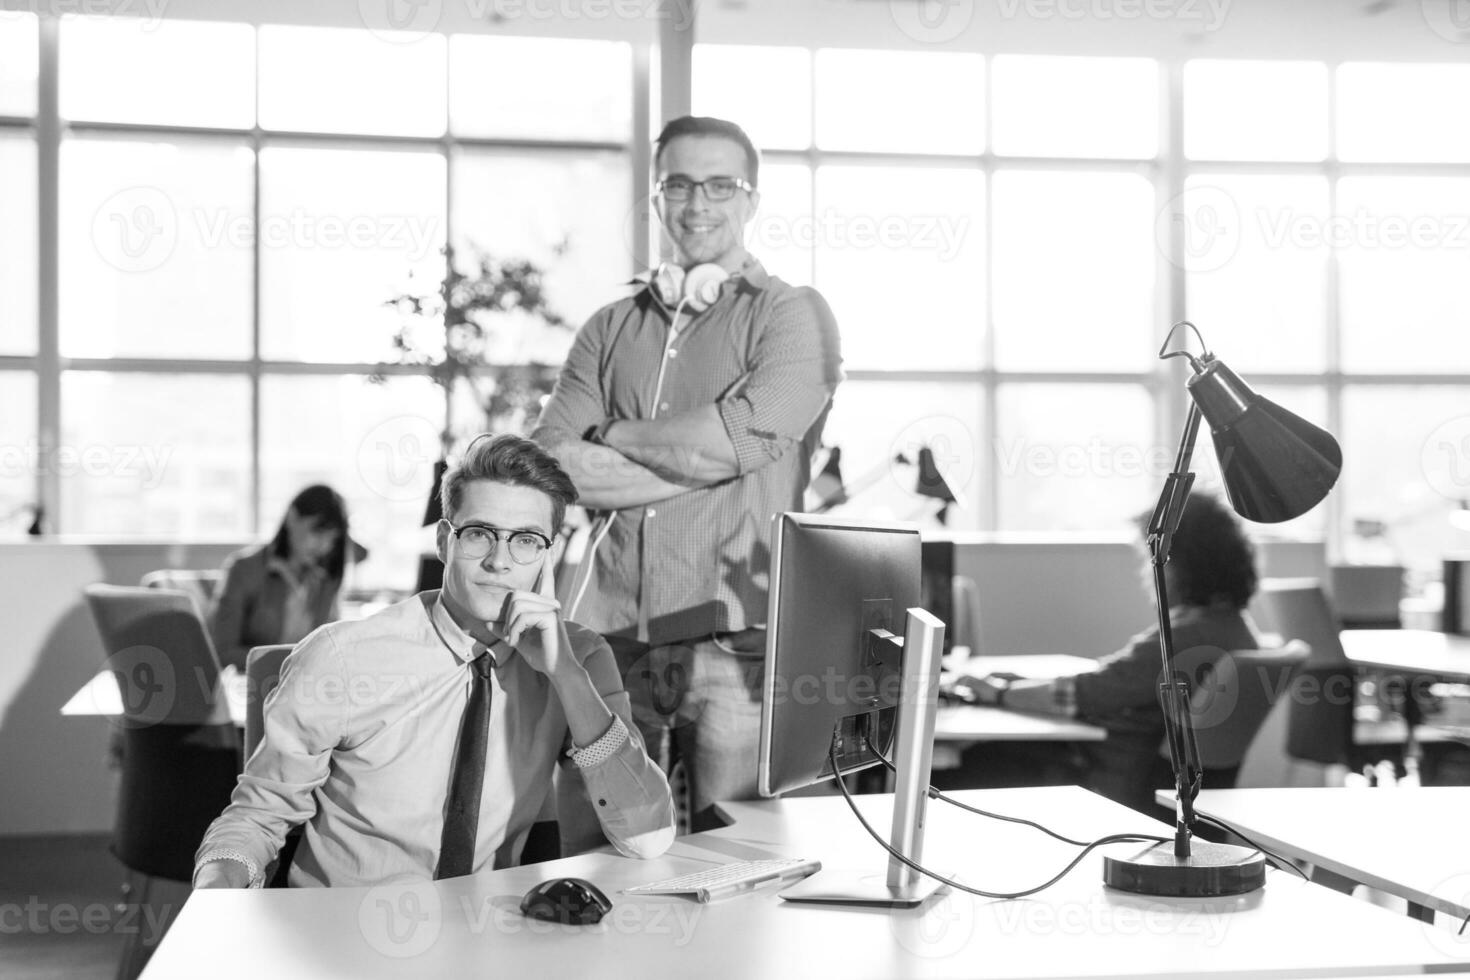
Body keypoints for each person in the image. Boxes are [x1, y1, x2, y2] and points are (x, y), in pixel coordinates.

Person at [532, 115, 843, 830]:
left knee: (744, 860)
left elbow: (728, 446)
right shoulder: (610, 327)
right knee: (600, 856)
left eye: (719, 185)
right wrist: (716, 457)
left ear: (751, 200)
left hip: (737, 644)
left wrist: (609, 433)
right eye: (677, 183)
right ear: (655, 194)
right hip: (610, 639)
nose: (697, 203)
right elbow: (553, 468)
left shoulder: (794, 319)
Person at [193, 435, 675, 888]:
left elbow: (647, 836)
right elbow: (255, 819)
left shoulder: (580, 659)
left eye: (526, 540)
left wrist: (566, 677)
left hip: (488, 940)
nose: (499, 562)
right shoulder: (343, 659)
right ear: (445, 541)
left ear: (548, 556)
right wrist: (217, 898)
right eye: (479, 534)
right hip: (340, 942)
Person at [953, 490, 1263, 813]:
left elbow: (1086, 693)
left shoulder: (1186, 638)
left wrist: (1001, 693)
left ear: (1183, 563)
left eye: (1154, 559)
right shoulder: (1235, 629)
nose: (1149, 572)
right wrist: (1017, 683)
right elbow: (1115, 680)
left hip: (1109, 779)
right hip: (1145, 780)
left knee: (962, 765)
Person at [207, 484, 351, 672]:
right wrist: (292, 664)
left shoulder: (324, 579)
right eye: (318, 532)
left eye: (332, 539)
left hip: (306, 690)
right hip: (252, 688)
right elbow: (223, 651)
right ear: (292, 518)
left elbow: (329, 649)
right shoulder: (244, 570)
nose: (324, 546)